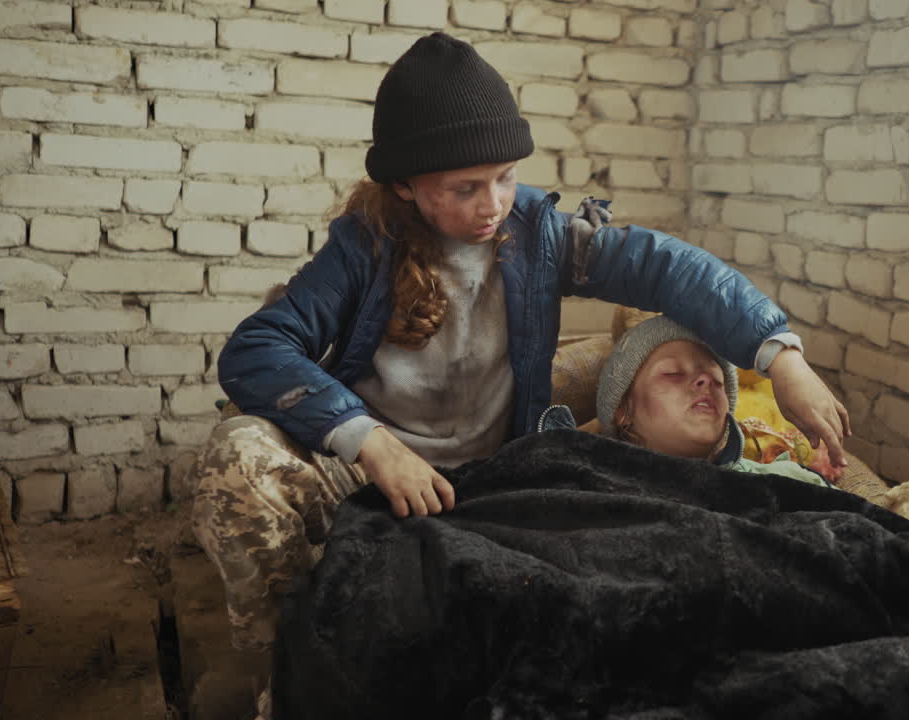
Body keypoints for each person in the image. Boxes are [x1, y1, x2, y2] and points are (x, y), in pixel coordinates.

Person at [190, 31, 849, 660]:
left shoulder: (538, 234)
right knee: (237, 457)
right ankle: (287, 660)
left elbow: (666, 266)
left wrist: (780, 356)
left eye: (505, 177)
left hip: (491, 475)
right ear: (406, 186)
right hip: (371, 465)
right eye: (466, 188)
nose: (494, 204)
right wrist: (373, 443)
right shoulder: (364, 246)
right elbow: (257, 347)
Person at [539, 315, 831, 488]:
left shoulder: (787, 484)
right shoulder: (577, 483)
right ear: (623, 412)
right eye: (673, 373)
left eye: (716, 379)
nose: (704, 380)